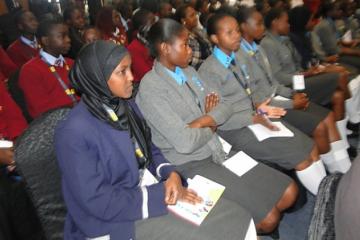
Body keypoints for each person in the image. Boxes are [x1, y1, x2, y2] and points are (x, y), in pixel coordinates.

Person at [55, 40, 255, 240]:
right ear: (97, 77)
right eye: (122, 72)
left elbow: (149, 149)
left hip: (146, 191)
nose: (132, 77)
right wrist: (160, 194)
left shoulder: (126, 106)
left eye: (130, 69)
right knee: (218, 233)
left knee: (234, 218)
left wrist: (170, 174)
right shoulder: (74, 132)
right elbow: (97, 201)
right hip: (113, 219)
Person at [137, 18, 299, 234]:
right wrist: (212, 123)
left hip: (218, 148)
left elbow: (226, 105)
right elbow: (185, 143)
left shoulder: (188, 72)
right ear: (165, 48)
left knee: (289, 191)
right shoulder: (151, 89)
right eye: (184, 45)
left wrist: (203, 120)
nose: (190, 50)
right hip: (191, 162)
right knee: (268, 218)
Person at [198, 13, 339, 195]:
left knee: (310, 146)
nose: (237, 36)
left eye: (237, 31)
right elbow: (218, 117)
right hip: (235, 128)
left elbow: (255, 91)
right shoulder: (209, 71)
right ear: (215, 38)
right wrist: (254, 116)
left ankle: (329, 196)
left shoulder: (238, 57)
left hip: (257, 116)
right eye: (229, 33)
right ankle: (327, 203)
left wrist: (261, 108)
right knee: (301, 156)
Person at [236, 7, 351, 174]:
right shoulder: (241, 57)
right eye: (259, 23)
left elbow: (273, 83)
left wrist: (292, 94)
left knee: (328, 116)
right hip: (268, 107)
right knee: (319, 126)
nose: (263, 27)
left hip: (280, 96)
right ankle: (336, 173)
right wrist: (291, 102)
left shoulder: (258, 49)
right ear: (244, 26)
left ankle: (345, 169)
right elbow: (257, 98)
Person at [18, 18, 78, 119]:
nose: (68, 39)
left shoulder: (71, 63)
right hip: (55, 123)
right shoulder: (30, 70)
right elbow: (42, 111)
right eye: (62, 36)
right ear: (45, 40)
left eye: (68, 35)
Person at [312, 1, 360, 70]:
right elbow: (335, 50)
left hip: (336, 53)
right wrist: (356, 52)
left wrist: (349, 44)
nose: (341, 11)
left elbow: (337, 42)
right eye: (337, 10)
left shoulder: (331, 22)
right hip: (330, 57)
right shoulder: (325, 25)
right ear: (329, 12)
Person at [175, 4, 212, 69]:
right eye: (192, 15)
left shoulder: (198, 31)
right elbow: (193, 62)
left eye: (195, 14)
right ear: (183, 20)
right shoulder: (183, 38)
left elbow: (209, 47)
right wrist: (210, 63)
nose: (196, 17)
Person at [127, 9, 156, 83]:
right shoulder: (133, 48)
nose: (156, 25)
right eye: (152, 22)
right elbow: (146, 75)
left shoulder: (153, 40)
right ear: (141, 27)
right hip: (143, 85)